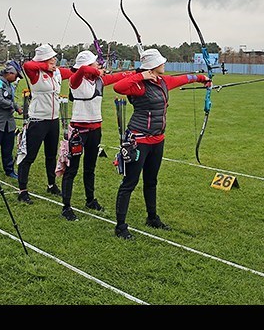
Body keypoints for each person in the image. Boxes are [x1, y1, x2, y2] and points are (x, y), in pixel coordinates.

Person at [111, 48, 210, 240]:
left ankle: (152, 218)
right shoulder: (138, 86)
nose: (164, 64)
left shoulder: (163, 81)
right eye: (161, 62)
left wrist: (202, 78)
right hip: (138, 140)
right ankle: (120, 227)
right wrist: (141, 75)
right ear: (153, 66)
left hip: (157, 139)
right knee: (129, 183)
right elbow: (118, 87)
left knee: (151, 180)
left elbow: (185, 78)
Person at [57, 50, 134, 221]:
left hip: (95, 129)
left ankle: (90, 200)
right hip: (78, 130)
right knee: (72, 169)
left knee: (90, 167)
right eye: (95, 63)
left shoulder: (99, 80)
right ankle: (66, 207)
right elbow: (83, 70)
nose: (98, 65)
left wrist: (137, 73)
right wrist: (96, 71)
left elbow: (120, 76)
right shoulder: (75, 80)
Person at [17, 44, 72, 204]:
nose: (55, 59)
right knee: (28, 156)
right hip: (38, 120)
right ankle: (22, 190)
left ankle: (51, 184)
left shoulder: (57, 72)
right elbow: (27, 65)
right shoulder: (35, 73)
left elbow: (75, 71)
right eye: (51, 57)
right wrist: (45, 66)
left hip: (53, 120)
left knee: (51, 155)